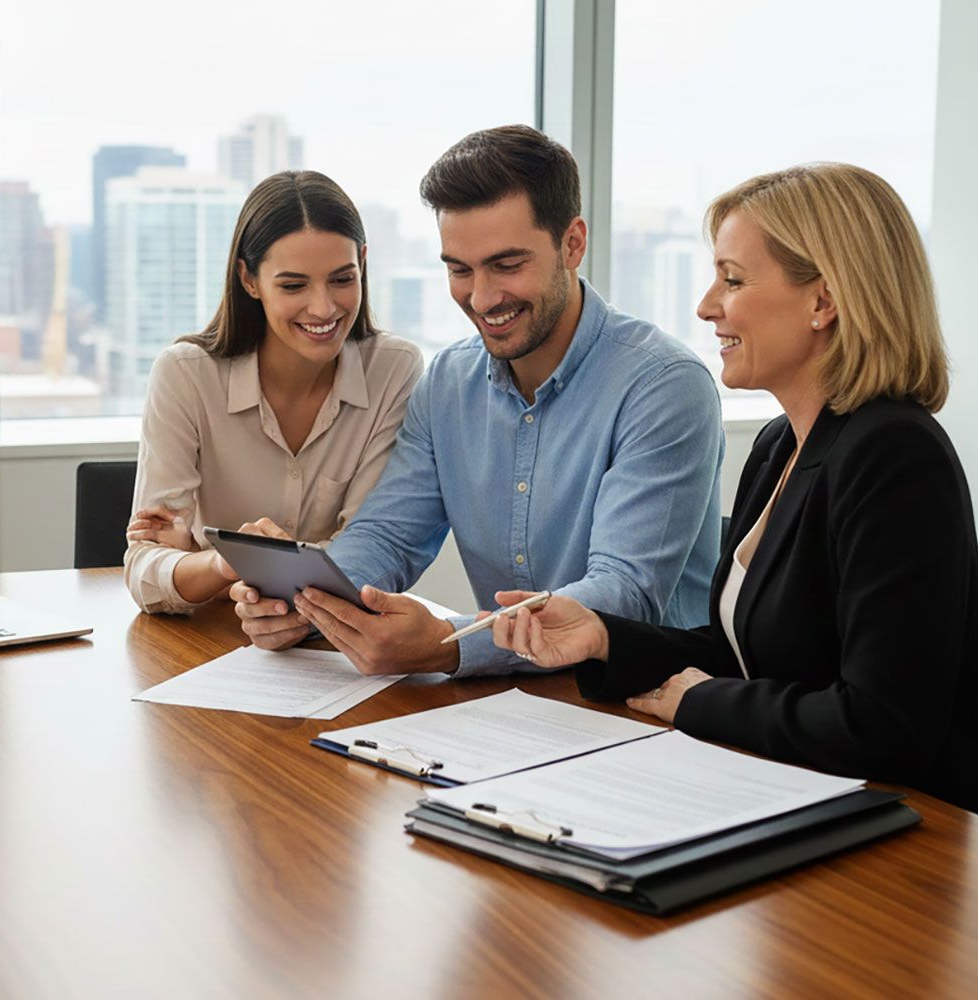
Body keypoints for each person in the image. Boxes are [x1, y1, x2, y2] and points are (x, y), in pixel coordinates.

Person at [489, 163, 978, 811]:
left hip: (902, 838)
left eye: (734, 278)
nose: (706, 305)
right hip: (792, 795)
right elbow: (742, 654)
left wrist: (700, 701)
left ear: (824, 301)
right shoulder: (781, 445)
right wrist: (603, 636)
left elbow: (884, 725)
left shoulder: (894, 454)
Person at [232, 125, 724, 676]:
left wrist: (451, 642)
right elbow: (388, 536)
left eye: (507, 265)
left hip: (649, 703)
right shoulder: (447, 383)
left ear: (573, 243)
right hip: (513, 704)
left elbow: (623, 593)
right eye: (459, 270)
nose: (482, 297)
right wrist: (307, 603)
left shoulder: (663, 385)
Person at [124, 171, 423, 613]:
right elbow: (145, 574)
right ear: (249, 279)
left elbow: (368, 548)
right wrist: (228, 563)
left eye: (343, 279)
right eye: (293, 285)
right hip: (213, 641)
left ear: (363, 262)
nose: (323, 307)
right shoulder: (185, 375)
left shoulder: (394, 371)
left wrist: (209, 558)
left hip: (333, 643)